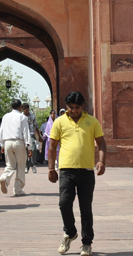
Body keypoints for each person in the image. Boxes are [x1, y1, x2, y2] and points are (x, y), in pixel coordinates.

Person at [48, 92, 106, 256]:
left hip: (87, 172)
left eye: (77, 108)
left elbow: (101, 143)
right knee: (64, 203)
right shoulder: (59, 122)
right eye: (71, 108)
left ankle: (86, 243)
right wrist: (51, 169)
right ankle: (70, 232)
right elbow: (52, 146)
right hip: (66, 171)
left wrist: (101, 161)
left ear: (83, 107)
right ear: (67, 107)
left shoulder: (91, 121)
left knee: (85, 208)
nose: (74, 111)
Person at [0, 99, 31, 196]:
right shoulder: (22, 117)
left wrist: (1, 144)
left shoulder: (5, 116)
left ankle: (5, 177)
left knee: (10, 165)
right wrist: (29, 146)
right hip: (18, 142)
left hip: (7, 141)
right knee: (20, 166)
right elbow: (26, 132)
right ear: (20, 107)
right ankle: (18, 189)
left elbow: (1, 130)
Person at [21, 103, 43, 173]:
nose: (25, 110)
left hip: (31, 134)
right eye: (24, 109)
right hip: (23, 135)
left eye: (26, 109)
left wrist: (39, 136)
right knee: (24, 151)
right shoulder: (21, 116)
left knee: (33, 149)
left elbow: (36, 126)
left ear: (28, 109)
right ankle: (26, 166)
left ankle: (33, 165)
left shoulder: (32, 116)